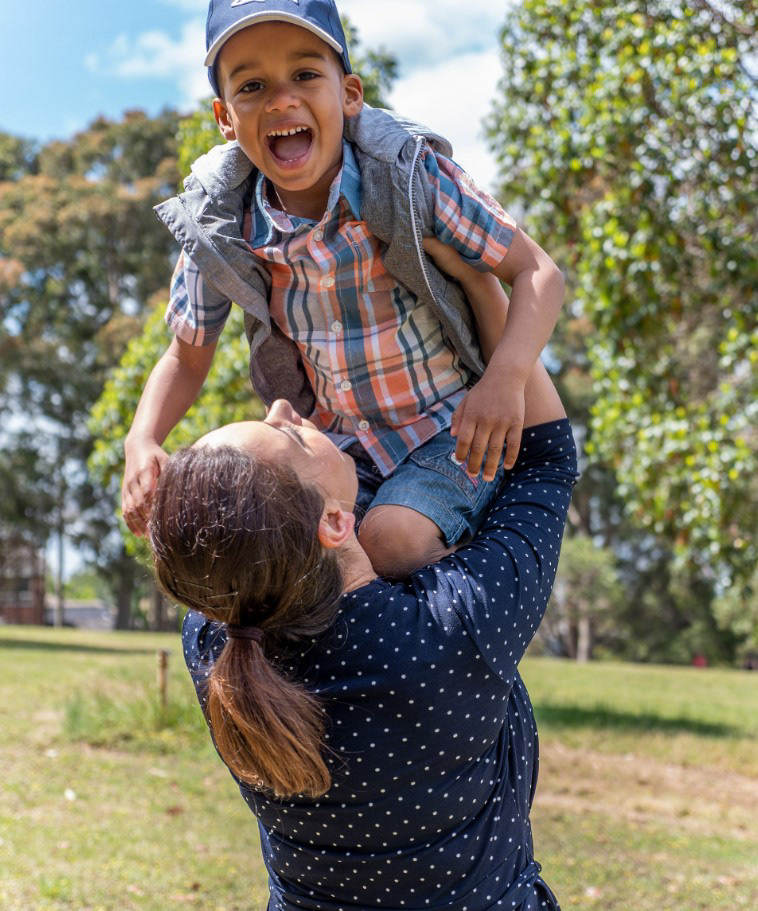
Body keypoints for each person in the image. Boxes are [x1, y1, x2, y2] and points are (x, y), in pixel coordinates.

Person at [123, 0, 565, 578]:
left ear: (350, 94)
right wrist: (143, 438)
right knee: (264, 551)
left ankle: (460, 602)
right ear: (225, 118)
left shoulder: (409, 176)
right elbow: (186, 356)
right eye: (252, 85)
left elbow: (538, 272)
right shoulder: (220, 222)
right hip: (336, 452)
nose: (281, 100)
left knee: (391, 541)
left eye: (305, 74)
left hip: (451, 430)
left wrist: (503, 380)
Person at [148, 355, 578, 911]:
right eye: (291, 436)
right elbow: (547, 459)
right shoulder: (449, 628)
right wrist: (502, 330)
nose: (282, 407)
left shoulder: (215, 648)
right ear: (333, 523)